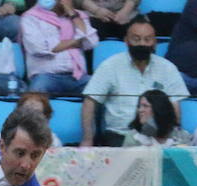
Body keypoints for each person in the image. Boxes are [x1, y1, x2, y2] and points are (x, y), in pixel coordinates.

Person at [81, 14, 189, 145]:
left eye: (147, 39)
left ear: (155, 43)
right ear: (126, 41)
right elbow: (90, 102)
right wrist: (87, 139)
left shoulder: (168, 68)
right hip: (119, 136)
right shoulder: (110, 66)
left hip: (158, 137)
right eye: (136, 39)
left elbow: (175, 107)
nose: (142, 44)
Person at [21, 0, 99, 96]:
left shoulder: (78, 16)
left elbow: (91, 41)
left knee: (99, 92)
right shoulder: (30, 17)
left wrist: (72, 13)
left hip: (77, 77)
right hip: (45, 76)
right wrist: (76, 42)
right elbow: (39, 48)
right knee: (35, 93)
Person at [121, 88, 191, 147]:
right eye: (139, 106)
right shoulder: (133, 137)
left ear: (159, 108)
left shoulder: (182, 136)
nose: (140, 110)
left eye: (145, 106)